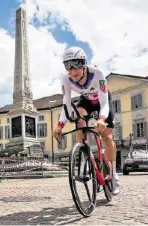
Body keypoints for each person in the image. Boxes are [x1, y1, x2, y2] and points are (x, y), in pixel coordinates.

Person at [53, 46, 120, 196]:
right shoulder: (66, 79)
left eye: (76, 65)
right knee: (78, 118)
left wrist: (101, 119)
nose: (72, 70)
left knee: (107, 137)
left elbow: (104, 104)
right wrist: (59, 126)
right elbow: (66, 104)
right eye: (67, 66)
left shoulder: (97, 74)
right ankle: (84, 155)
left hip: (102, 100)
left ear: (83, 64)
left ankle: (114, 174)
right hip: (87, 101)